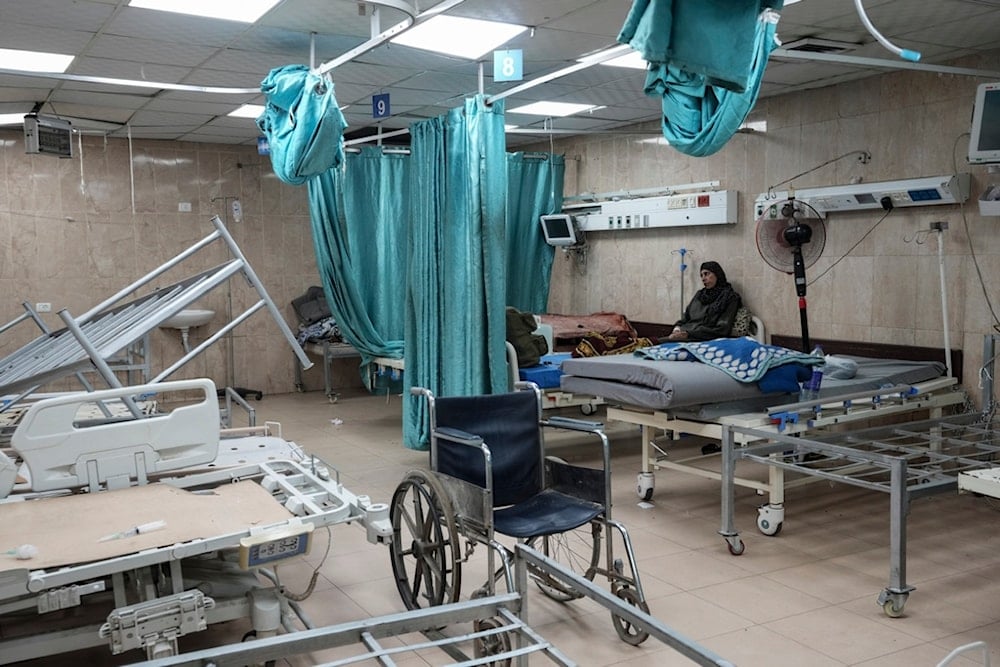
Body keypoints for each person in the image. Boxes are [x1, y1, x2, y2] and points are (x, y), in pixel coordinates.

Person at [666, 261, 742, 342]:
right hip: (684, 334)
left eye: (706, 274)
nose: (703, 278)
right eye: (701, 275)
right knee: (655, 343)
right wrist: (677, 328)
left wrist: (688, 334)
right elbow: (685, 318)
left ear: (717, 274)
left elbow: (722, 329)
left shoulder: (730, 297)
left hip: (701, 338)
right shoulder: (699, 295)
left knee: (658, 345)